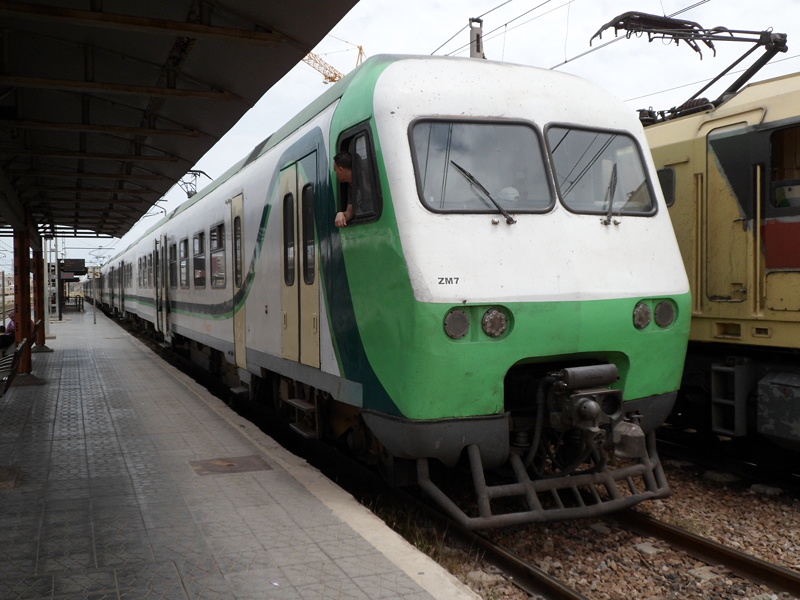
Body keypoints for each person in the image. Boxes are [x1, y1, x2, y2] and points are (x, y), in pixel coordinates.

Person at [333, 151, 355, 227]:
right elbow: (350, 213)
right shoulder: (351, 187)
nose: (336, 174)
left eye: (335, 171)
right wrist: (341, 214)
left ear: (341, 170)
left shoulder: (366, 181)